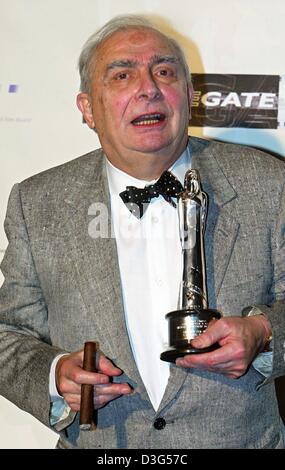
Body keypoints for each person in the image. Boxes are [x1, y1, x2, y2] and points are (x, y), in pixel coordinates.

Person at [0, 14, 285, 450]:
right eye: (122, 74)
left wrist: (263, 332)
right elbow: (8, 333)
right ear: (88, 108)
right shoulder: (37, 203)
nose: (148, 87)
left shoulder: (266, 183)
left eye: (165, 71)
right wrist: (54, 374)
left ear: (189, 96)